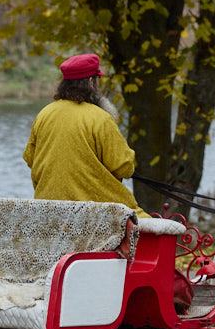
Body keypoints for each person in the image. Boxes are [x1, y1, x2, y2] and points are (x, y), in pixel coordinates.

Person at [23, 53, 149, 217]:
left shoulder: (44, 114)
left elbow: (30, 158)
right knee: (151, 224)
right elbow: (124, 167)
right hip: (96, 211)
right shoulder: (100, 118)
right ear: (91, 82)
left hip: (49, 209)